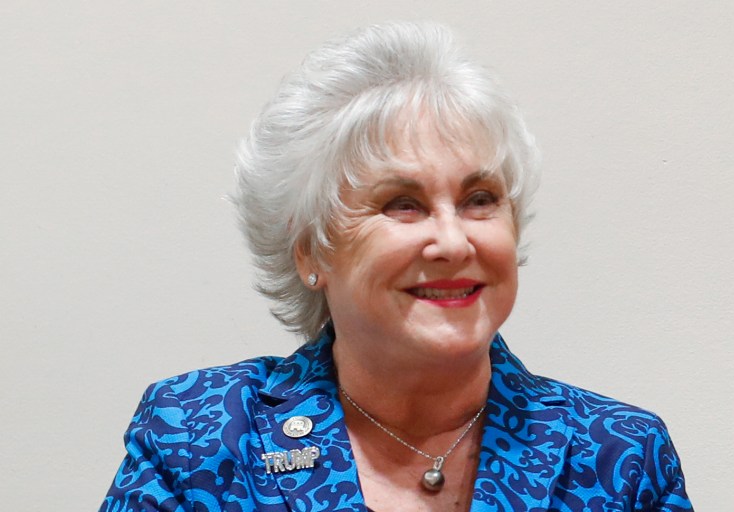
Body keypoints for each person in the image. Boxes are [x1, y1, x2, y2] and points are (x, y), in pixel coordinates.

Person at [100, 22, 693, 511]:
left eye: (479, 199)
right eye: (402, 204)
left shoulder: (620, 456)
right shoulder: (197, 439)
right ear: (310, 251)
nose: (453, 242)